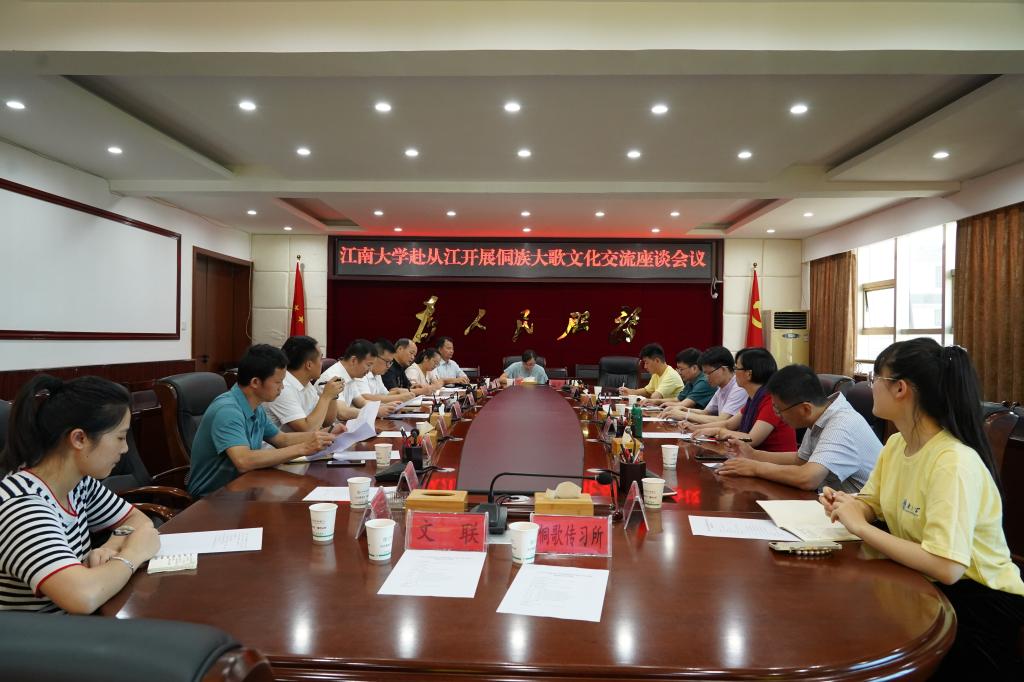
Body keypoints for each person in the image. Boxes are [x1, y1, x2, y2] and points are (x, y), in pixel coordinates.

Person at [822, 339, 1024, 677]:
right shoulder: (896, 444)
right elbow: (872, 503)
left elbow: (947, 566)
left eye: (875, 379)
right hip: (920, 580)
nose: (871, 388)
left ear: (900, 388)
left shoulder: (952, 462)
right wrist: (848, 505)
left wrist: (860, 526)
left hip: (977, 600)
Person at [0, 375, 161, 613]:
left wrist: (112, 546)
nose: (125, 448)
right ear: (79, 439)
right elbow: (83, 597)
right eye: (119, 437)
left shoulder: (78, 483)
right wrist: (132, 553)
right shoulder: (21, 506)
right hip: (43, 634)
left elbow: (137, 520)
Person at [188, 345, 337, 498]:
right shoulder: (227, 410)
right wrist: (304, 448)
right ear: (255, 382)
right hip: (212, 497)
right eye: (278, 382)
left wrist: (325, 435)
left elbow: (281, 439)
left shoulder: (255, 406)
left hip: (244, 488)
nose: (282, 387)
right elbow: (243, 460)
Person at [716, 364, 881, 491]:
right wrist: (753, 454)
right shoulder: (821, 414)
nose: (777, 415)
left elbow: (808, 478)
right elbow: (801, 460)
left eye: (779, 410)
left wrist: (755, 468)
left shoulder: (841, 424)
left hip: (869, 518)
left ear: (805, 409)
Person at [688, 348, 797, 451]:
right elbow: (729, 424)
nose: (734, 372)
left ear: (749, 374)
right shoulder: (753, 399)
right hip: (755, 459)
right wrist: (695, 428)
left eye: (736, 368)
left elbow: (752, 439)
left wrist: (718, 431)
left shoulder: (770, 399)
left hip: (773, 461)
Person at [265, 335, 343, 432]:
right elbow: (307, 430)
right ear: (309, 365)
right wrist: (326, 396)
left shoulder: (306, 383)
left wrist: (332, 396)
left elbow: (326, 422)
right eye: (320, 359)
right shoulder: (283, 388)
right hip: (280, 442)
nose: (322, 363)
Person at [665, 346, 747, 424]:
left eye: (708, 373)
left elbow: (722, 419)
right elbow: (706, 412)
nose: (706, 378)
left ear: (722, 369)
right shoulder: (721, 387)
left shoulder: (739, 388)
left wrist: (684, 415)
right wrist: (684, 410)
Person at [318, 339, 398, 417]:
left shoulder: (351, 375)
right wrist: (375, 411)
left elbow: (361, 402)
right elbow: (342, 413)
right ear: (353, 360)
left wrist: (385, 406)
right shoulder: (333, 377)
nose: (370, 370)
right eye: (368, 365)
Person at [643, 347, 714, 408]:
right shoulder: (691, 381)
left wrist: (663, 404)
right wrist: (654, 401)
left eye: (681, 369)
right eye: (678, 369)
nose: (679, 372)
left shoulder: (704, 382)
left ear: (694, 368)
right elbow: (678, 399)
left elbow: (684, 404)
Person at [351, 339, 415, 406]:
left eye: (390, 362)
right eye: (387, 362)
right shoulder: (361, 372)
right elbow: (365, 397)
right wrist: (399, 397)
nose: (389, 366)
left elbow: (385, 394)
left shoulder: (378, 374)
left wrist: (398, 392)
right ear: (375, 357)